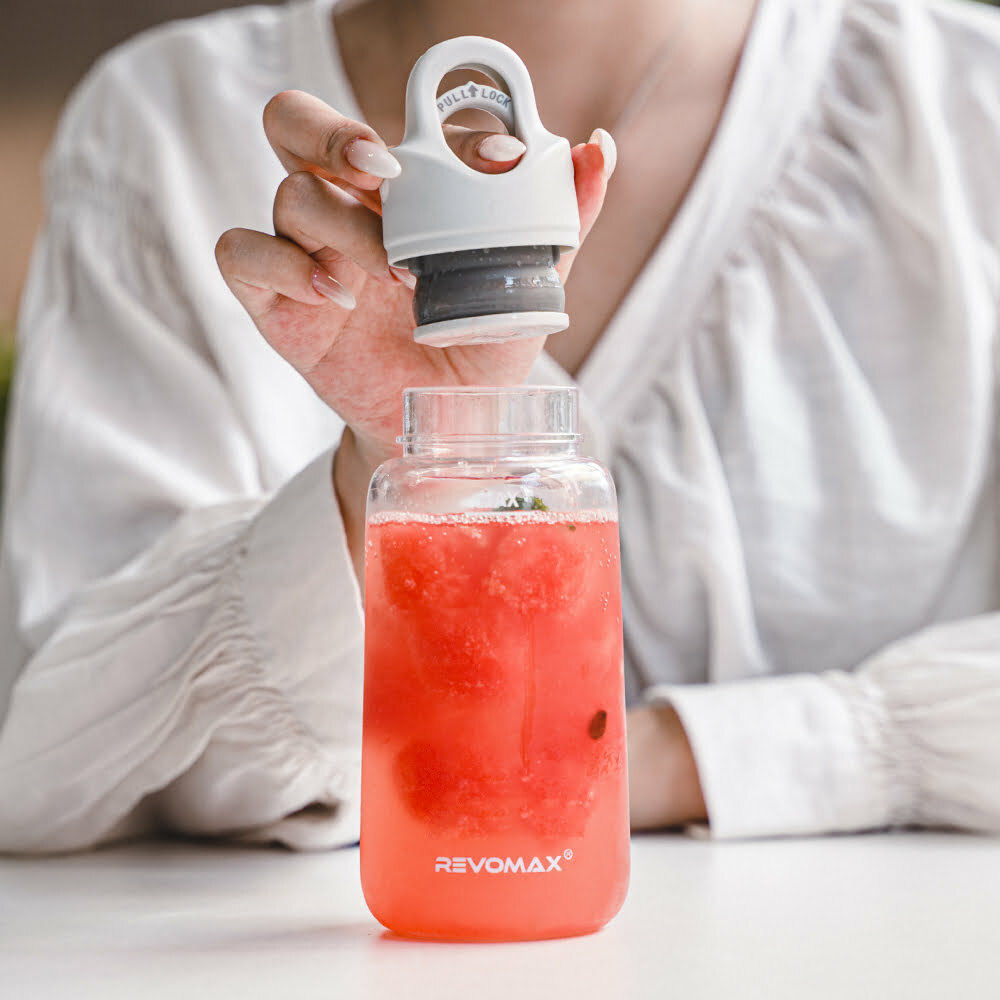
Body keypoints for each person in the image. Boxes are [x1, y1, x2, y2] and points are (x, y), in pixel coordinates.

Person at [2, 0, 1000, 854]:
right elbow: (54, 764)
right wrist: (396, 466)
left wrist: (667, 759)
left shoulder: (966, 99)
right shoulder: (164, 125)